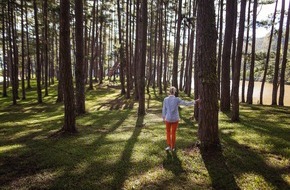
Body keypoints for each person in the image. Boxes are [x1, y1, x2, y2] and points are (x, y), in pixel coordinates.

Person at [162, 86, 200, 151]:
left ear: (169, 92)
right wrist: (195, 101)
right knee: (173, 133)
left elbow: (164, 109)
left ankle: (169, 146)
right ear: (174, 92)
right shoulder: (177, 99)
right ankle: (172, 147)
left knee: (168, 132)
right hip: (175, 119)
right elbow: (186, 103)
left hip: (168, 119)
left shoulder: (165, 99)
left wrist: (163, 117)